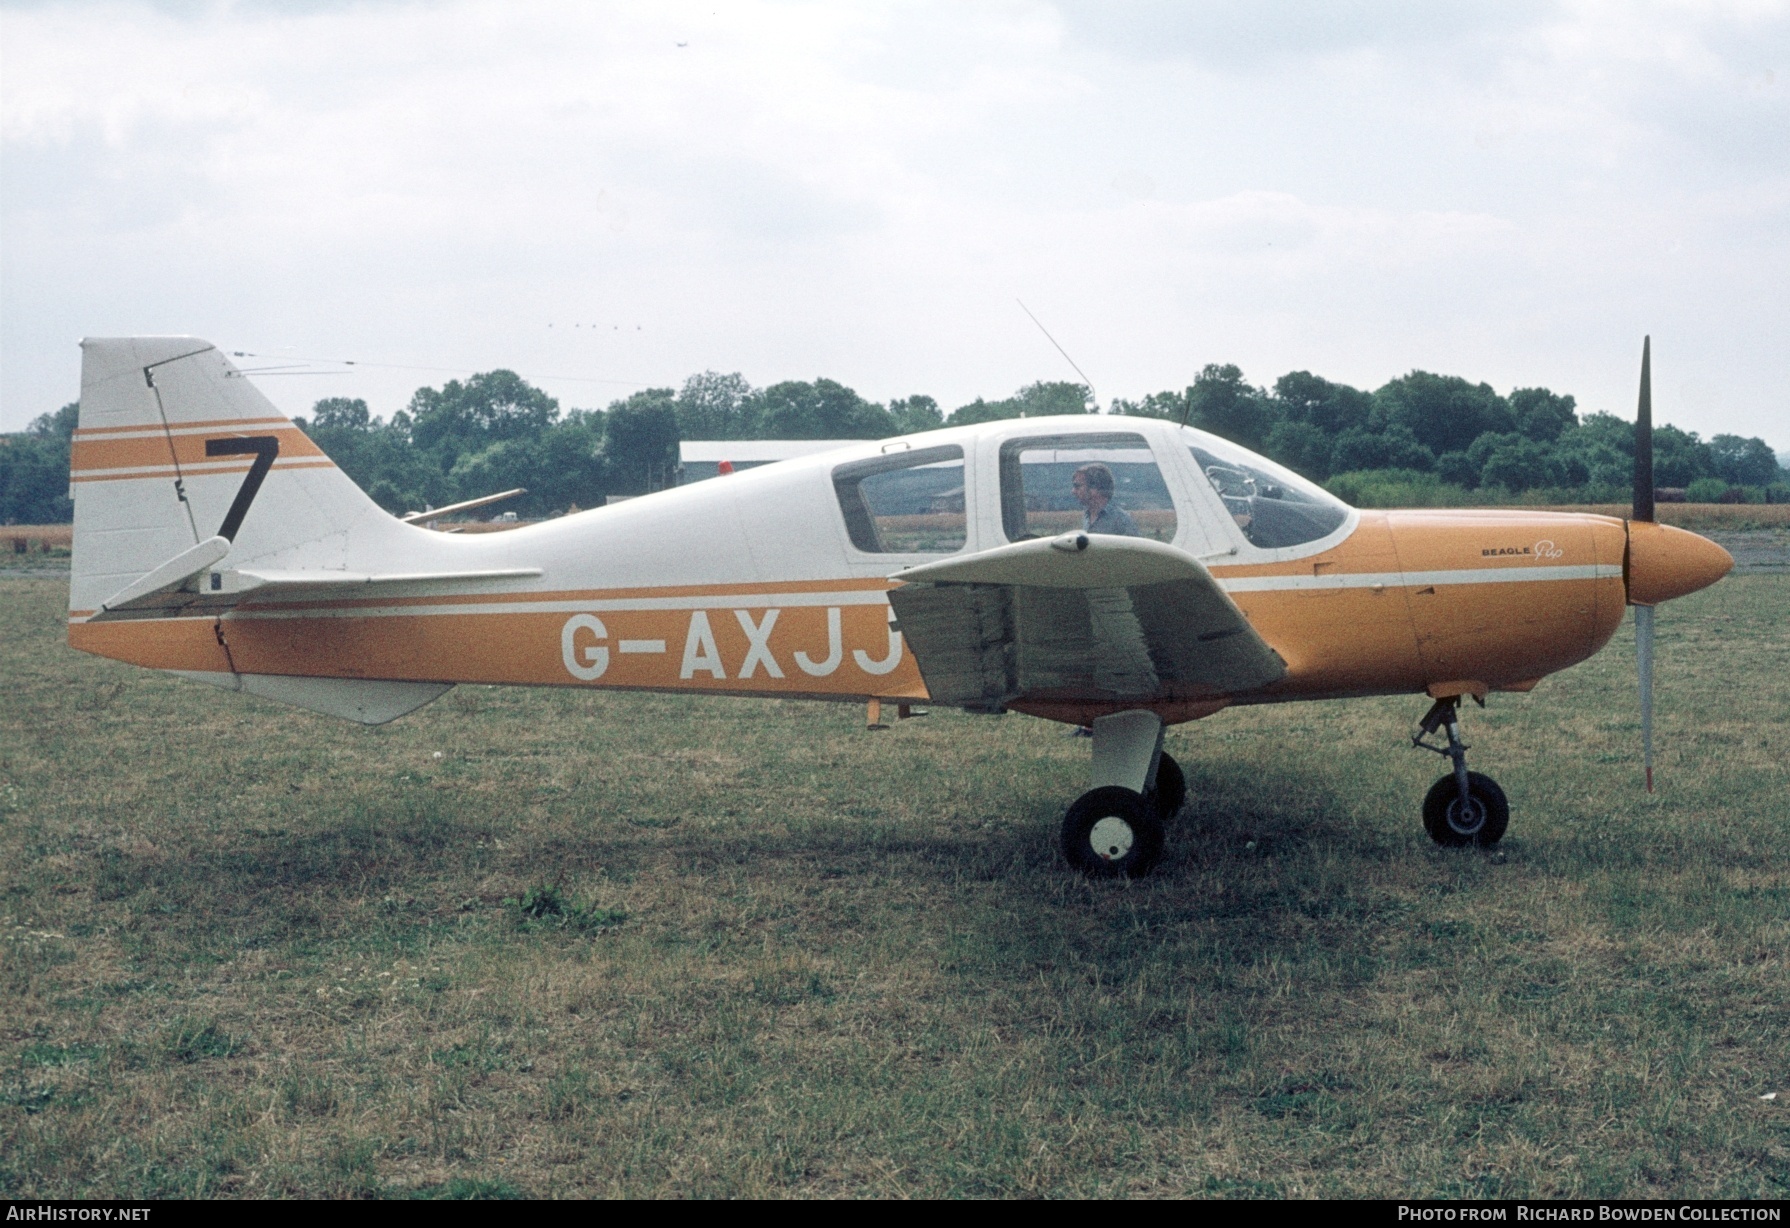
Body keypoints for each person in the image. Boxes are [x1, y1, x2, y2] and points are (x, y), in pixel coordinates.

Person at [1071, 462, 1140, 536]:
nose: (1073, 491)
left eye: (1077, 486)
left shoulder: (1122, 521)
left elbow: (1134, 546)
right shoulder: (1087, 516)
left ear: (1094, 488)